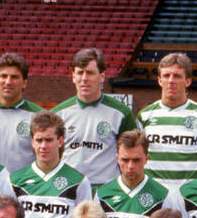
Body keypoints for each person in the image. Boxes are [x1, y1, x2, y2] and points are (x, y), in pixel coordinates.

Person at [6, 111, 93, 218]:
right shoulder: (15, 180)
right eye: (39, 140)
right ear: (32, 142)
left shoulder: (78, 181)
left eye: (49, 140)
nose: (43, 146)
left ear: (60, 141)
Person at [93, 129, 182, 218]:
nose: (130, 166)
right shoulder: (102, 194)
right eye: (125, 160)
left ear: (147, 158)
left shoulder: (164, 196)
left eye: (136, 160)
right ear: (117, 158)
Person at [53, 47, 137, 186]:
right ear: (73, 76)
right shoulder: (58, 114)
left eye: (90, 73)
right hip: (69, 188)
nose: (84, 79)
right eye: (80, 73)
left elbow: (131, 156)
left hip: (106, 190)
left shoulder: (121, 113)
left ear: (102, 76)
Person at [137, 52, 197, 191]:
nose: (171, 80)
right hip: (152, 192)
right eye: (166, 75)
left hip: (188, 194)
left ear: (188, 81)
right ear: (159, 80)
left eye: (177, 76)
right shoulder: (144, 115)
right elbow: (137, 157)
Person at [0, 52, 43, 173]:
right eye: (3, 76)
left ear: (24, 83)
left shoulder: (39, 117)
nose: (8, 81)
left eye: (15, 77)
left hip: (23, 188)